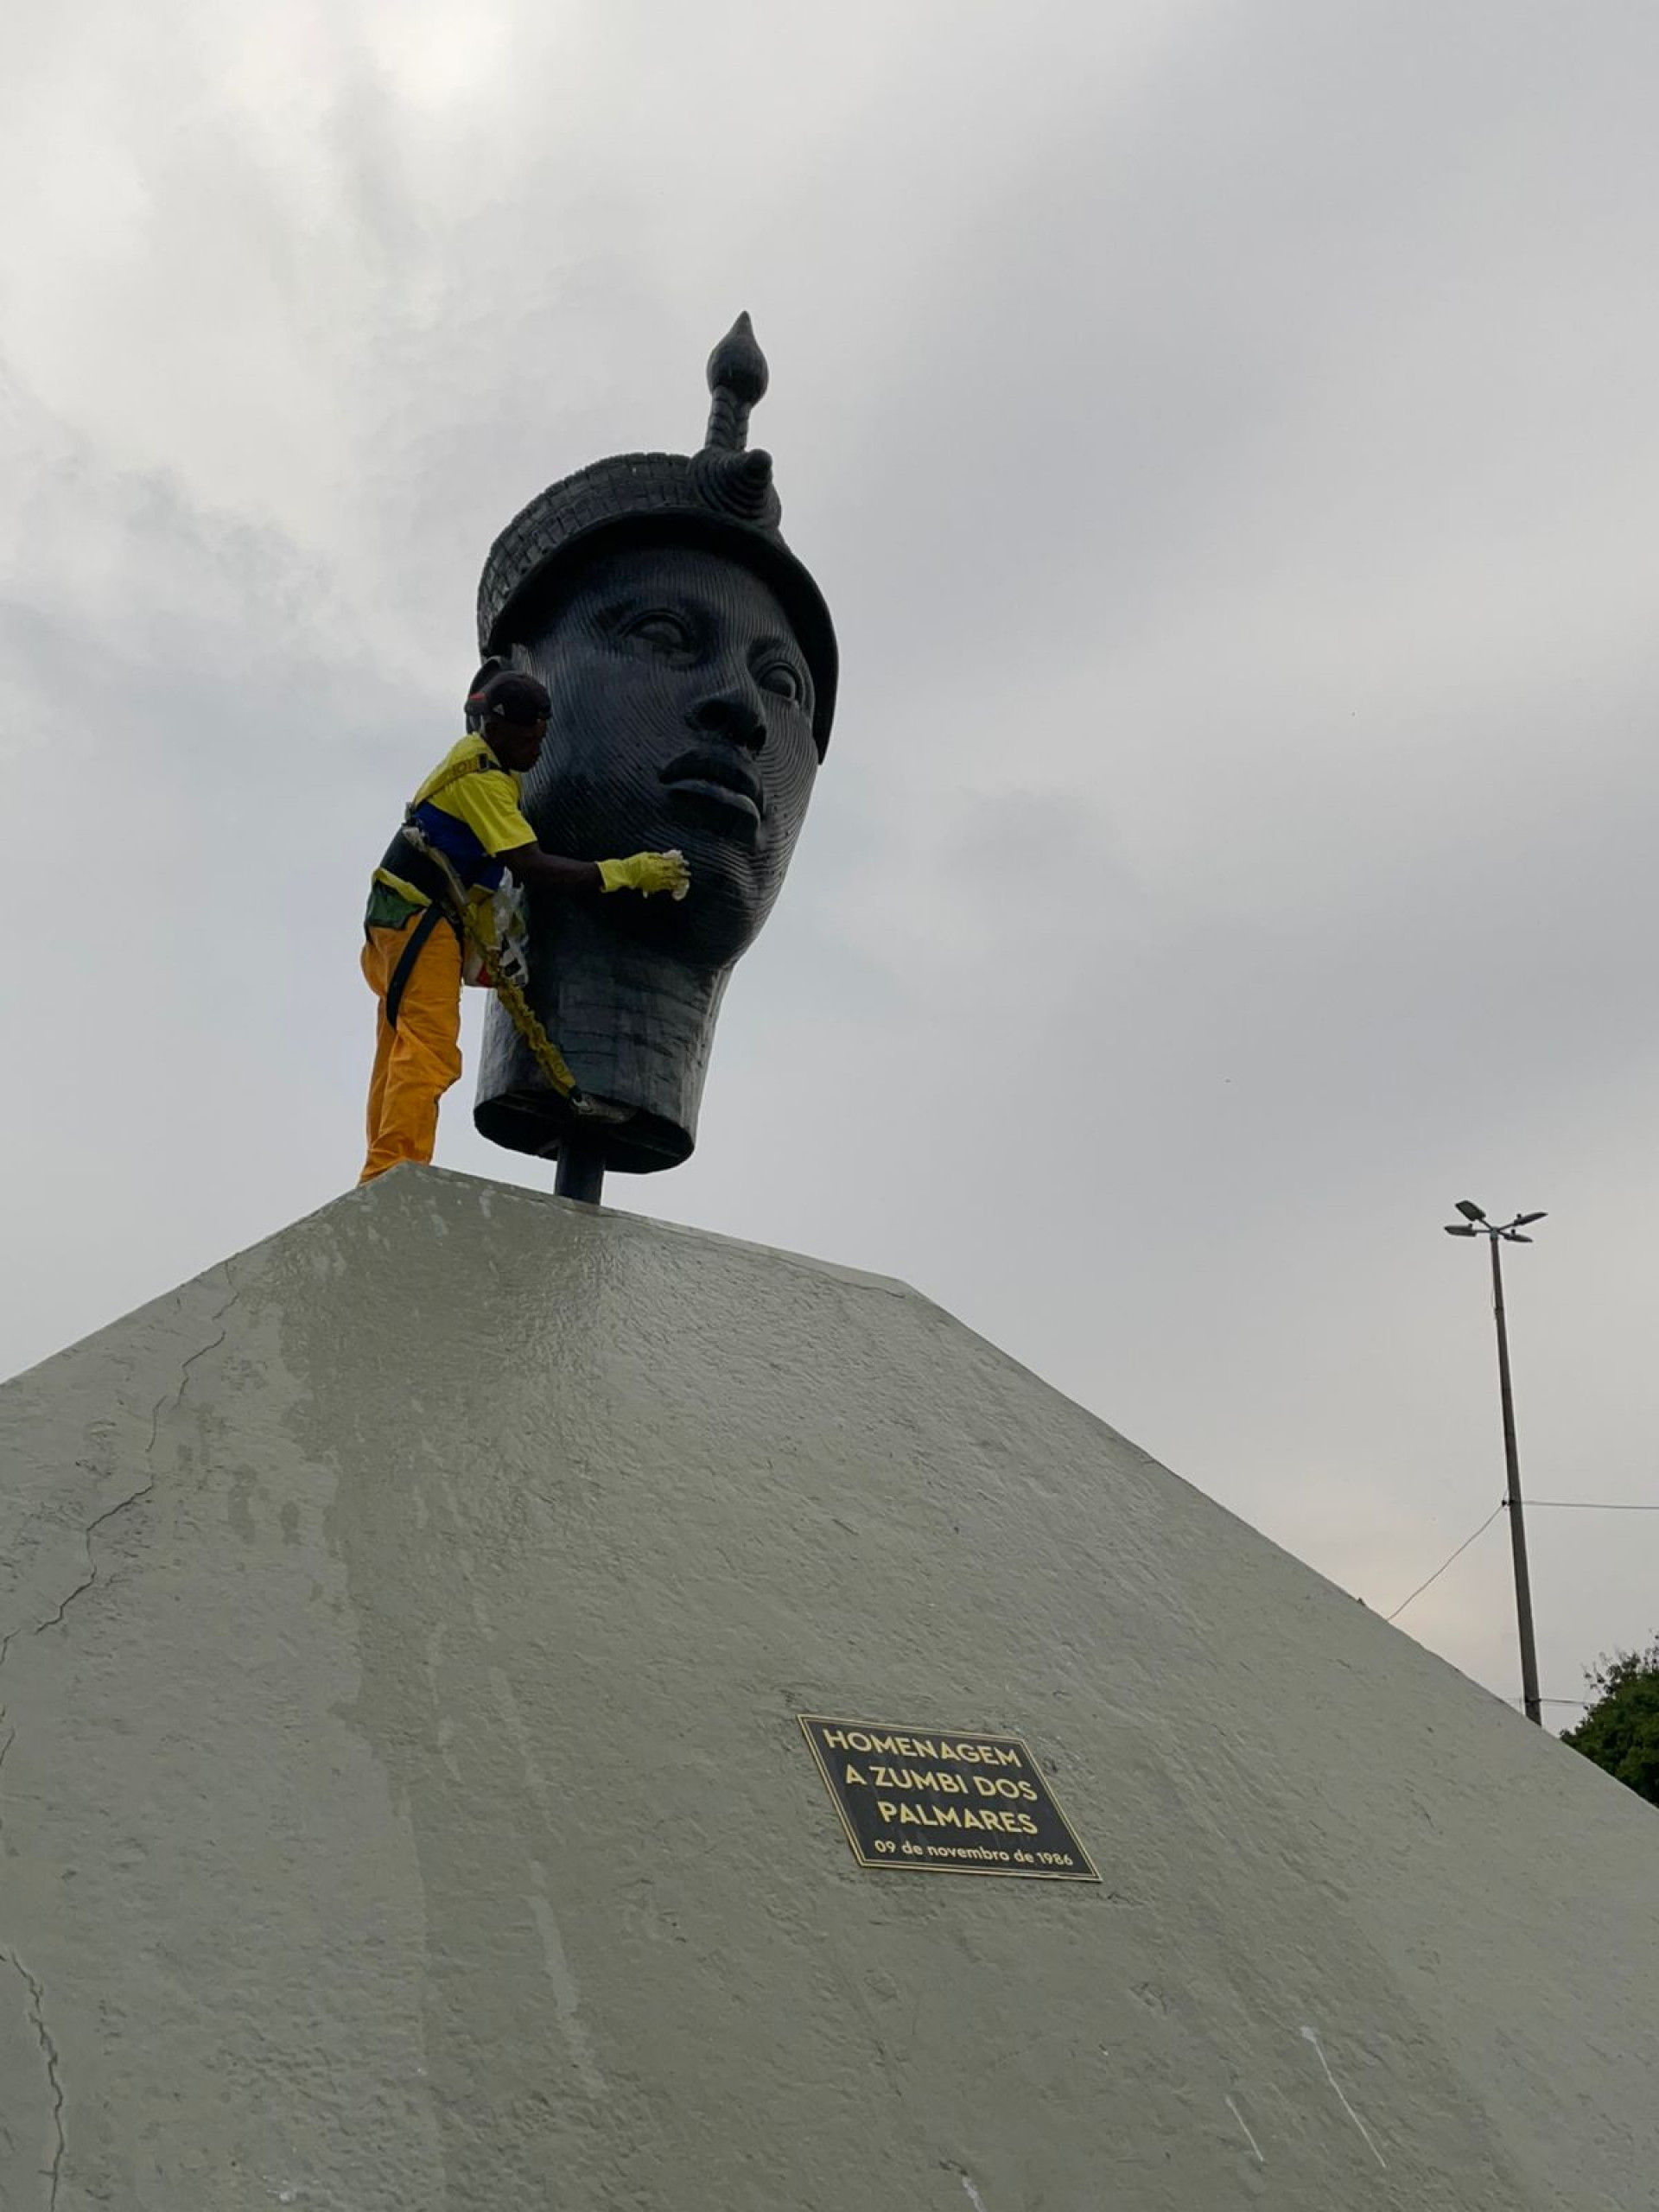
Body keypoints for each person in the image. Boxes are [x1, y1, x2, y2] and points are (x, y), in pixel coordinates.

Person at [359, 670, 690, 1182]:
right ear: (498, 729)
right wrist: (628, 871)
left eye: (541, 738)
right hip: (417, 918)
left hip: (399, 915)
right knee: (429, 1048)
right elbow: (532, 867)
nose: (537, 751)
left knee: (399, 1045)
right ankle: (392, 1173)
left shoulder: (488, 761)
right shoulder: (483, 781)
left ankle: (381, 1169)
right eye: (527, 739)